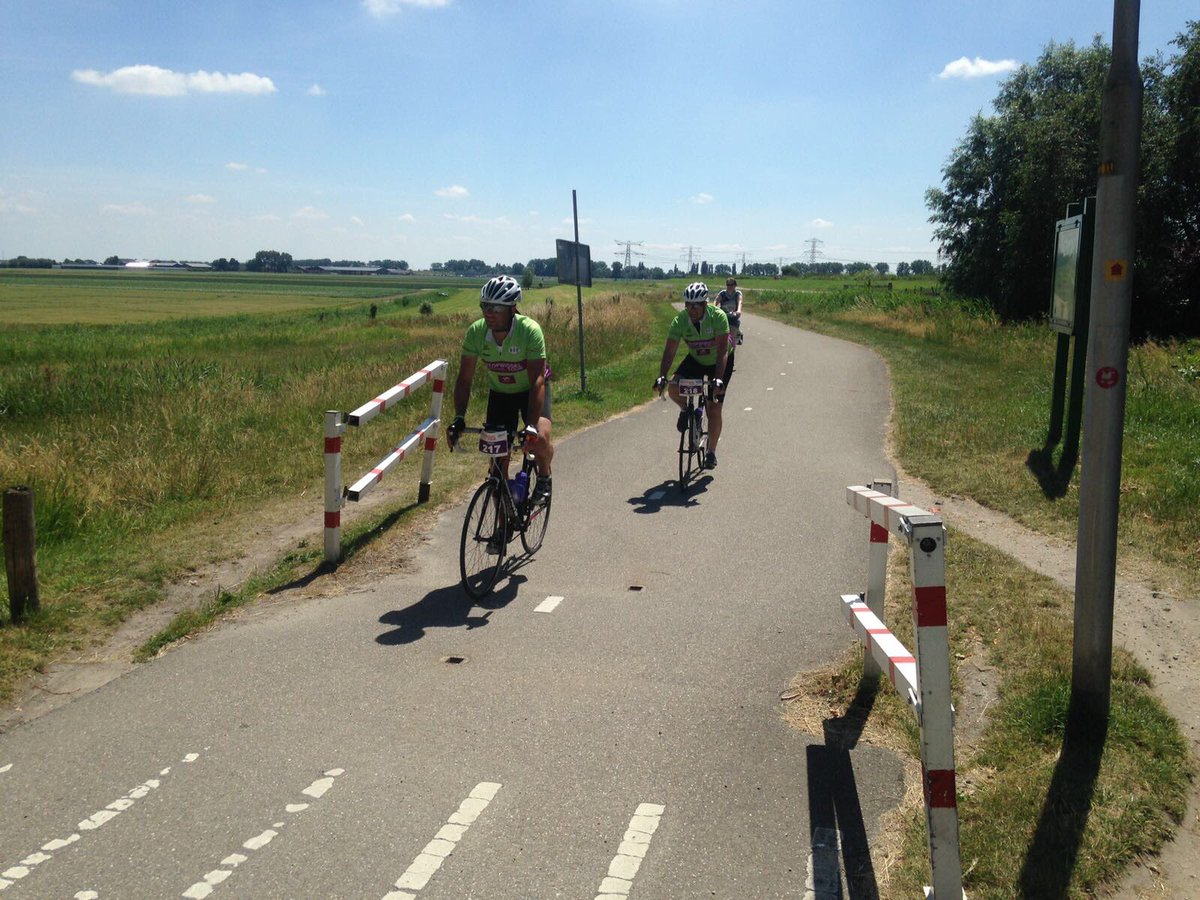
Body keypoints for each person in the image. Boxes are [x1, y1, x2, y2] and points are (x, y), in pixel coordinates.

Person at [446, 274, 554, 505]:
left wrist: (532, 426)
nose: (489, 312)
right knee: (497, 464)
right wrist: (458, 418)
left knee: (541, 439)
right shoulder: (476, 332)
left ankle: (544, 476)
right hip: (501, 395)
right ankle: (500, 532)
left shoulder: (529, 331)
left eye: (496, 307)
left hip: (531, 391)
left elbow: (537, 379)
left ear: (512, 309)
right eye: (485, 306)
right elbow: (464, 380)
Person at [653, 281, 729, 469]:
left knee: (713, 408)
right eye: (687, 304)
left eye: (695, 305)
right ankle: (687, 411)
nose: (691, 309)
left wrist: (718, 379)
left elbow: (721, 351)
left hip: (718, 361)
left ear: (705, 304)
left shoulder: (718, 317)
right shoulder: (680, 321)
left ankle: (711, 452)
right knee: (673, 388)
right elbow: (670, 351)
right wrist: (662, 375)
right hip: (695, 358)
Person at [715, 276, 743, 346]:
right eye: (728, 285)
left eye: (731, 285)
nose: (729, 286)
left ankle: (732, 348)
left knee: (732, 336)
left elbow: (740, 301)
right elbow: (716, 300)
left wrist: (739, 310)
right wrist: (714, 307)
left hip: (733, 316)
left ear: (735, 285)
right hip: (722, 316)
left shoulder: (738, 294)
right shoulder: (722, 293)